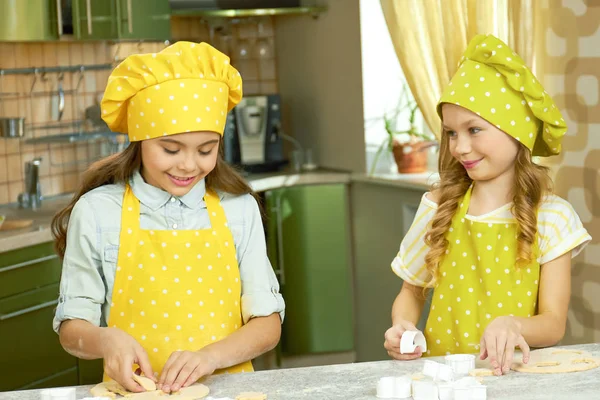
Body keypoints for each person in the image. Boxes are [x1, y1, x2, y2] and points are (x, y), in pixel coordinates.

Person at [51, 41, 285, 394]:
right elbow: (72, 329)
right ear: (140, 141)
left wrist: (210, 357)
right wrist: (106, 340)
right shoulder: (98, 212)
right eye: (170, 149)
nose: (189, 165)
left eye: (206, 150)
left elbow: (267, 324)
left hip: (229, 390)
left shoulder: (238, 208)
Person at [383, 34, 591, 376]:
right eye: (451, 133)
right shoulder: (438, 206)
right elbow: (411, 290)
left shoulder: (553, 217)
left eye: (474, 130)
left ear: (517, 133)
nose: (460, 147)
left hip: (515, 383)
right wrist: (402, 327)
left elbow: (553, 323)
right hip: (444, 382)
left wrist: (513, 325)